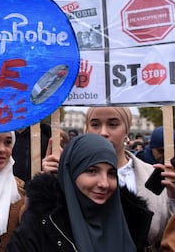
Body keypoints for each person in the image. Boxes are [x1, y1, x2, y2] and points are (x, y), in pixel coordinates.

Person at [42, 107, 173, 250]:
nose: (103, 133)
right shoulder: (68, 176)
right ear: (86, 129)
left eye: (113, 124)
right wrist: (50, 184)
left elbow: (167, 235)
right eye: (95, 124)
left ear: (127, 130)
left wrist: (173, 199)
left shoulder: (154, 175)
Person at [7, 133, 141, 251]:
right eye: (92, 171)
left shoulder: (132, 223)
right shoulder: (39, 227)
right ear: (71, 173)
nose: (104, 183)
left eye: (111, 173)